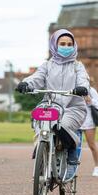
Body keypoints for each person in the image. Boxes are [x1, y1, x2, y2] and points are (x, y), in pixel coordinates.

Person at [16, 29, 90, 181]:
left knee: (61, 126)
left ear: (74, 46)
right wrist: (26, 83)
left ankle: (72, 151)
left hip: (72, 107)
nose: (66, 46)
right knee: (37, 117)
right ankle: (42, 147)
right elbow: (36, 78)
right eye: (62, 43)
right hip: (50, 105)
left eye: (70, 44)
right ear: (55, 45)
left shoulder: (78, 66)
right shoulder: (47, 65)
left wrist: (82, 88)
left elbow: (83, 80)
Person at [80, 77, 98, 177]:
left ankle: (97, 167)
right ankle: (70, 168)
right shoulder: (73, 89)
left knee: (92, 145)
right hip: (75, 121)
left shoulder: (91, 91)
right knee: (72, 145)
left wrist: (90, 100)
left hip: (88, 122)